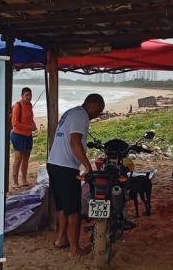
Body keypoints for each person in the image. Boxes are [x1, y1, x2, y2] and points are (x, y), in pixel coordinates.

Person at [47, 94, 105, 257]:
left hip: (53, 163)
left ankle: (61, 239)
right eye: (99, 111)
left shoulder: (71, 112)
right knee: (74, 209)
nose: (98, 115)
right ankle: (74, 249)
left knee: (63, 206)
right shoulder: (81, 115)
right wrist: (87, 165)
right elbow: (75, 142)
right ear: (92, 105)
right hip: (66, 167)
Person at [10, 87, 35, 188]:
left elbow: (31, 118)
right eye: (26, 95)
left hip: (28, 135)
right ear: (22, 96)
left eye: (30, 95)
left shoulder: (29, 105)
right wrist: (29, 127)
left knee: (26, 158)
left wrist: (33, 124)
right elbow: (15, 123)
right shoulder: (18, 105)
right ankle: (15, 182)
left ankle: (24, 179)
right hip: (18, 135)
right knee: (18, 158)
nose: (28, 97)